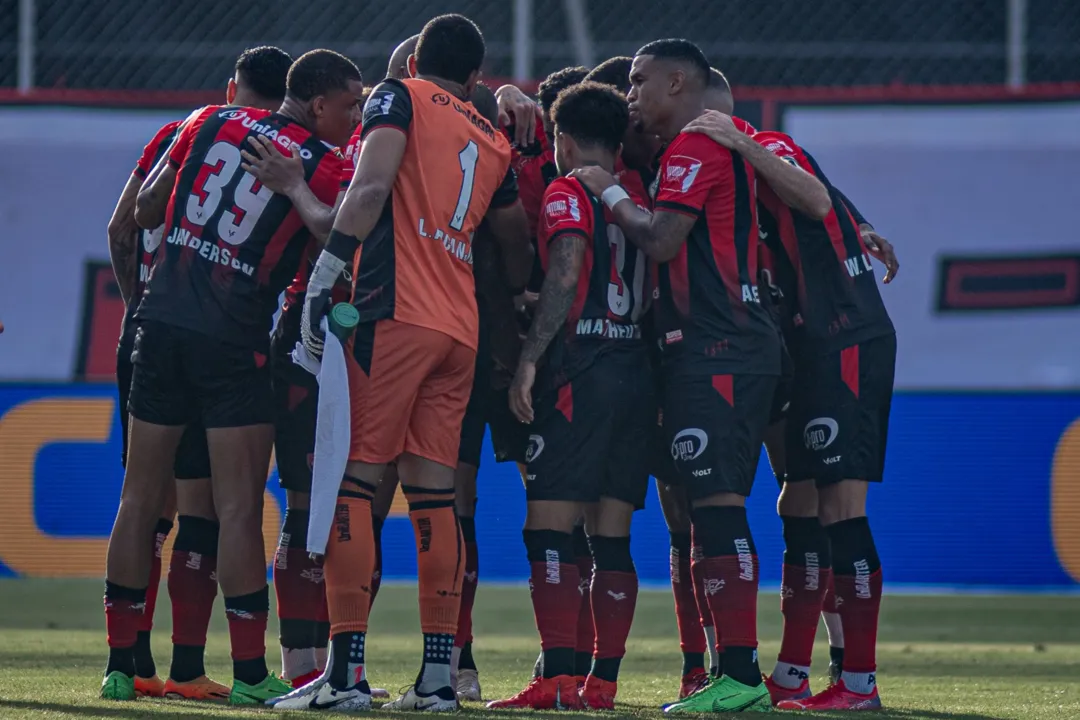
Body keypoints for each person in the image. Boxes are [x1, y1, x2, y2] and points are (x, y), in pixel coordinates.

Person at [278, 14, 531, 712]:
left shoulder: (400, 94)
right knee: (434, 498)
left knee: (353, 484)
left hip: (394, 315)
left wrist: (328, 273)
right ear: (477, 76)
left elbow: (370, 186)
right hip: (461, 330)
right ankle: (439, 680)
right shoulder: (492, 135)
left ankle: (347, 677)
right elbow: (510, 241)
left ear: (417, 59)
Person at [571, 38, 829, 714]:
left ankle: (740, 676)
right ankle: (732, 670)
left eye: (638, 81)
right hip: (739, 346)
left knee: (716, 509)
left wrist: (606, 195)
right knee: (713, 509)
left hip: (716, 349)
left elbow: (659, 240)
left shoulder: (693, 145)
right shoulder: (729, 139)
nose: (631, 94)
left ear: (678, 81)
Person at [101, 49, 361, 705]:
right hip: (233, 342)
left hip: (158, 326)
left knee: (138, 498)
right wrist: (293, 190)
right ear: (320, 104)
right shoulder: (329, 167)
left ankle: (119, 668)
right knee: (239, 507)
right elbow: (338, 237)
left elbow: (147, 211)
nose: (357, 117)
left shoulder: (207, 120)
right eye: (352, 105)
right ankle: (250, 675)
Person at [686, 113, 898, 711]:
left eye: (642, 83)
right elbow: (826, 197)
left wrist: (740, 139)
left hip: (846, 338)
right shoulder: (745, 162)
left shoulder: (760, 146)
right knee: (798, 501)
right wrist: (865, 224)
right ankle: (792, 672)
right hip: (808, 344)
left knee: (841, 508)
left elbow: (814, 197)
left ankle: (859, 684)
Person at [487, 81, 652, 712]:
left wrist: (529, 362)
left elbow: (565, 269)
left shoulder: (567, 188)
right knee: (611, 534)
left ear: (560, 138)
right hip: (636, 368)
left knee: (548, 525)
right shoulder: (638, 193)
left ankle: (556, 678)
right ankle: (602, 684)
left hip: (581, 366)